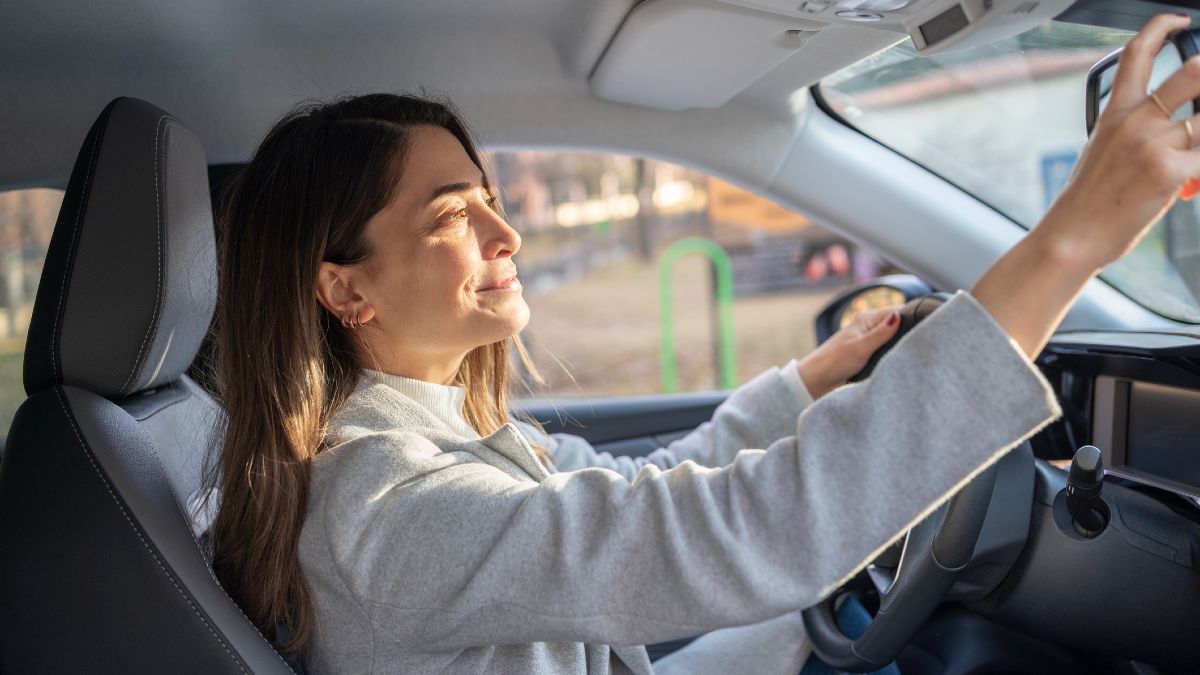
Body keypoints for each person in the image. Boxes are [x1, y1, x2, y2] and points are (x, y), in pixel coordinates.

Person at [204, 14, 1200, 673]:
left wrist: (811, 379)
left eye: (493, 199)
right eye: (451, 214)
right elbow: (752, 529)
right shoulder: (394, 510)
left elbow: (629, 492)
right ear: (344, 286)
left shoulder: (432, 441)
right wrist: (1072, 241)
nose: (506, 236)